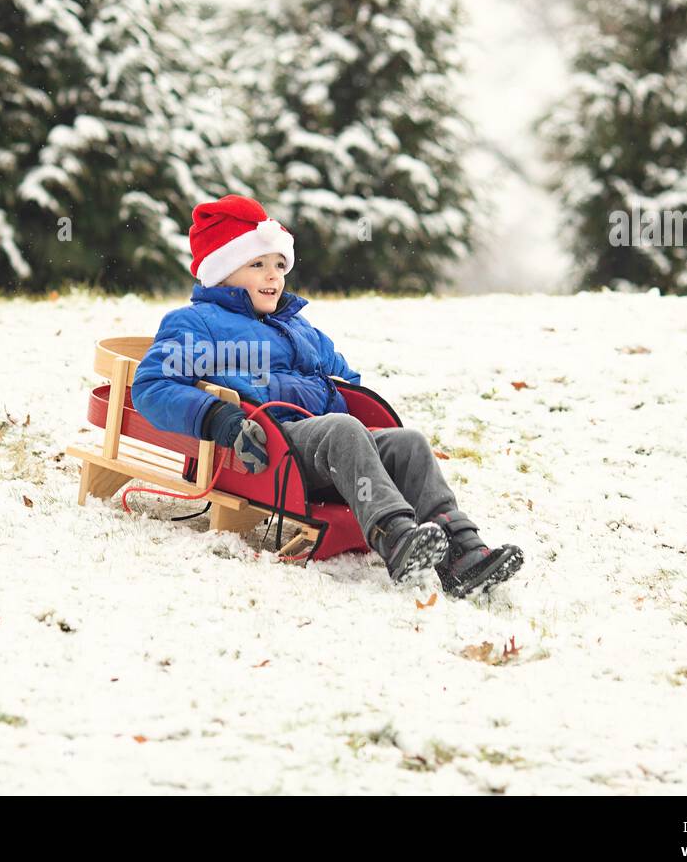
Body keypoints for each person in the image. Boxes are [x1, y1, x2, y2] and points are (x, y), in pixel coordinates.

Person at [132, 194, 523, 596]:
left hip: (334, 448)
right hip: (269, 446)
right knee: (343, 430)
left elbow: (345, 379)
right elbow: (152, 386)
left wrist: (347, 397)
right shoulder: (197, 324)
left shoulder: (299, 327)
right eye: (257, 264)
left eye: (279, 265)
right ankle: (395, 535)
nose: (273, 276)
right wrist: (218, 417)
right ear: (222, 271)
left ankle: (462, 552)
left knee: (408, 444)